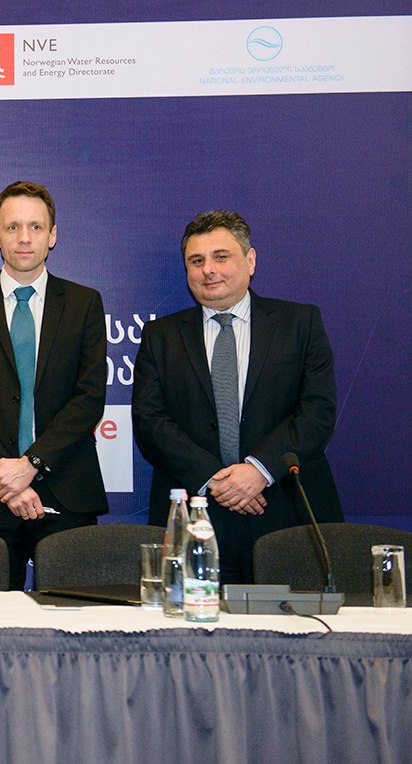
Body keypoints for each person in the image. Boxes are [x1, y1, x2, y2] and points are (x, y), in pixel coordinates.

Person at [133, 209, 341, 584]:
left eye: (221, 256)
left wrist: (259, 470)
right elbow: (150, 422)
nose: (208, 270)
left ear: (250, 260)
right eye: (196, 261)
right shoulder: (160, 336)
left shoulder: (300, 323)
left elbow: (317, 410)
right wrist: (217, 480)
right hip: (197, 516)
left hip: (286, 513)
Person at [0, 181, 108, 590]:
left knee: (73, 618)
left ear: (52, 235)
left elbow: (89, 398)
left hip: (68, 489)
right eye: (12, 227)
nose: (24, 238)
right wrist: (7, 479)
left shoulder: (84, 303)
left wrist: (30, 465)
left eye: (36, 227)